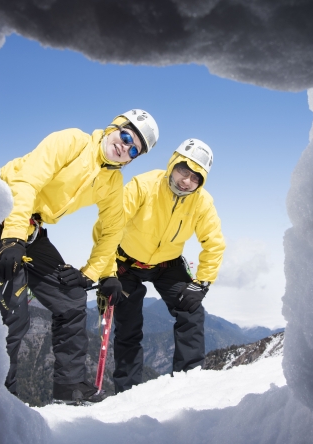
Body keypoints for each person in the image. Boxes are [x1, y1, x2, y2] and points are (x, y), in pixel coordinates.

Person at [0, 109, 159, 405]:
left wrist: (95, 273)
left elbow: (112, 231)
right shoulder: (72, 142)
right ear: (115, 127)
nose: (125, 147)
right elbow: (25, 182)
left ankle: (69, 387)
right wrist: (12, 237)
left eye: (134, 149)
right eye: (126, 137)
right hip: (1, 216)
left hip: (32, 228)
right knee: (12, 316)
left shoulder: (111, 183)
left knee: (73, 298)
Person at [96, 138, 225, 393]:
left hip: (168, 264)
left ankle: (188, 382)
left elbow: (214, 243)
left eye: (195, 177)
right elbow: (108, 226)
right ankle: (127, 391)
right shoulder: (143, 186)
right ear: (173, 164)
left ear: (201, 182)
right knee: (128, 326)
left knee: (191, 309)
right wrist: (107, 273)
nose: (186, 181)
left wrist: (202, 283)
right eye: (183, 171)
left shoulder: (202, 203)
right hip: (126, 263)